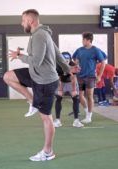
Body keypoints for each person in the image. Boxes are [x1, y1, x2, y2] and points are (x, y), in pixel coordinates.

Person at [8, 9, 72, 161]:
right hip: (36, 75)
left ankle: (48, 152)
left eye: (23, 20)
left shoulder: (40, 35)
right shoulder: (43, 34)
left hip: (45, 81)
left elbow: (36, 61)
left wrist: (20, 56)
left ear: (31, 21)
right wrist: (68, 70)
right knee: (8, 76)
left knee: (46, 118)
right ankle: (32, 102)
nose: (21, 23)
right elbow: (58, 54)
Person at [72, 32, 106, 124]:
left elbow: (103, 62)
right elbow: (74, 58)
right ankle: (87, 112)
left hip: (90, 77)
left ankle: (89, 116)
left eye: (83, 39)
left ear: (88, 40)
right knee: (81, 95)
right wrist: (76, 64)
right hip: (81, 76)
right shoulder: (79, 50)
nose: (82, 41)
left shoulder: (95, 50)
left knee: (89, 95)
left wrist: (99, 76)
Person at [53, 52, 84, 128]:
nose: (66, 61)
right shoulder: (58, 65)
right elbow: (59, 78)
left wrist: (73, 90)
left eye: (68, 60)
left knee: (75, 97)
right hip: (61, 81)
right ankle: (57, 120)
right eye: (64, 60)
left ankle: (76, 121)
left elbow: (73, 78)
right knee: (58, 97)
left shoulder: (73, 65)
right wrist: (60, 90)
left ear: (70, 59)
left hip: (71, 82)